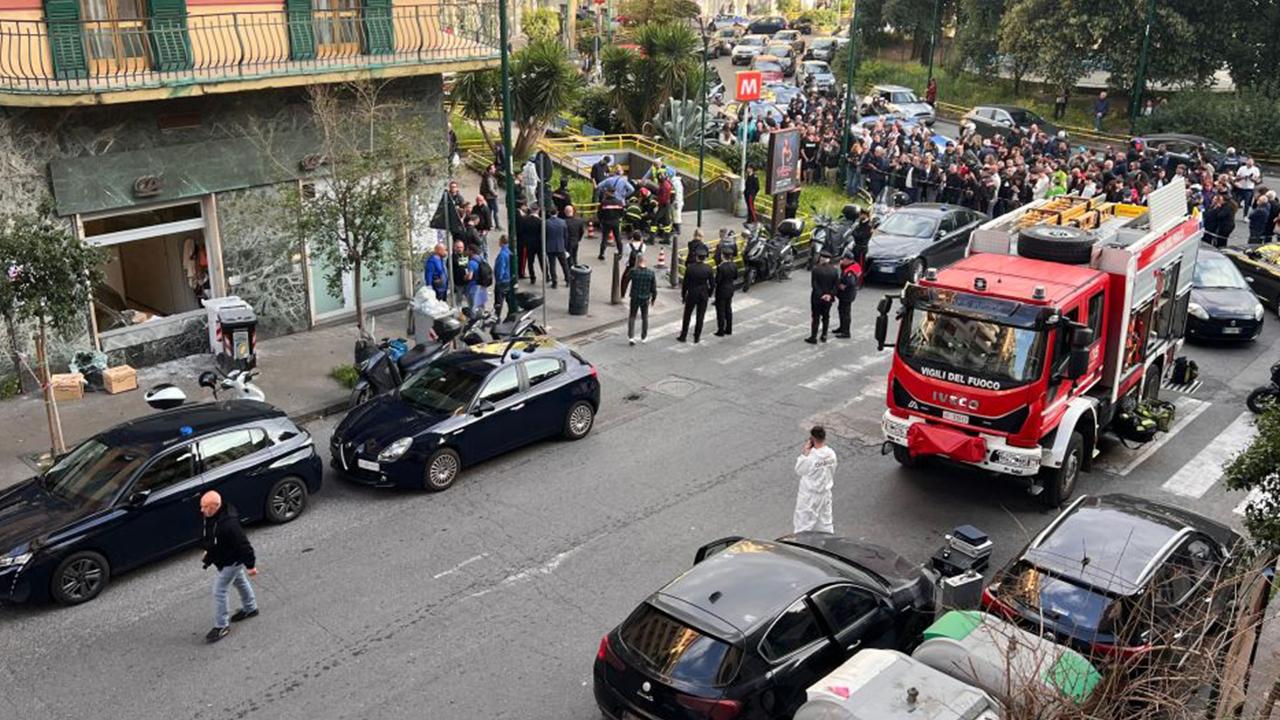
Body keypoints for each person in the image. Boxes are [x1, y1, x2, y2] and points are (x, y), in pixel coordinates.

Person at [200, 491, 258, 643]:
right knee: (239, 581)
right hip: (224, 559)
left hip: (231, 561)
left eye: (205, 507)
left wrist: (251, 565)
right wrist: (209, 553)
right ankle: (250, 607)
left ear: (215, 506)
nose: (202, 510)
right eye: (202, 506)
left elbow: (244, 545)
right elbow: (213, 538)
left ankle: (221, 626)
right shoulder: (211, 516)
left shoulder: (230, 524)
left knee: (219, 590)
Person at [793, 426, 837, 535]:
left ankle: (802, 547)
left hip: (809, 496)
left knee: (803, 525)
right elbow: (833, 470)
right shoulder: (831, 454)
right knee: (825, 523)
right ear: (824, 438)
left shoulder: (811, 457)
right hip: (825, 494)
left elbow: (799, 470)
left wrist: (806, 452)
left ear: (812, 439)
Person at [677, 248, 714, 344]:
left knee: (687, 315)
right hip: (703, 293)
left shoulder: (690, 268)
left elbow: (685, 283)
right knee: (700, 316)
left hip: (692, 293)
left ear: (697, 257)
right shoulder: (708, 268)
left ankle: (683, 335)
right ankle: (697, 336)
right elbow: (712, 284)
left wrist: (683, 295)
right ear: (705, 258)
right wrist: (709, 293)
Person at [806, 251, 840, 344]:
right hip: (828, 299)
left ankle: (813, 337)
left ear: (821, 259)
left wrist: (821, 295)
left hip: (817, 298)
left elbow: (814, 285)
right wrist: (829, 295)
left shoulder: (816, 269)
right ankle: (824, 335)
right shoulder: (834, 270)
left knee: (816, 317)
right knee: (826, 316)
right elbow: (836, 285)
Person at [626, 254, 657, 345]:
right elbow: (653, 288)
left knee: (632, 316)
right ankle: (644, 336)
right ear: (645, 262)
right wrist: (653, 298)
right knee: (645, 317)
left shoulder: (633, 271)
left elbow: (627, 278)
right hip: (645, 297)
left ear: (637, 262)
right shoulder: (651, 273)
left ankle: (631, 337)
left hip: (635, 296)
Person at [833, 255, 860, 338]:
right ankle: (842, 327)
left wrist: (842, 285)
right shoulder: (855, 265)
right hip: (848, 294)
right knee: (841, 310)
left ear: (849, 260)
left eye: (844, 259)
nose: (842, 260)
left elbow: (850, 282)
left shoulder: (850, 271)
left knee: (845, 313)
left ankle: (846, 332)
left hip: (847, 295)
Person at [713, 252, 737, 337]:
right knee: (728, 309)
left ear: (723, 256)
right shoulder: (734, 265)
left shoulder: (721, 267)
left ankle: (721, 330)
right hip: (730, 289)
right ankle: (729, 329)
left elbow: (718, 280)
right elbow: (735, 277)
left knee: (721, 311)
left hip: (721, 290)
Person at [544, 210, 570, 289]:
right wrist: (565, 246)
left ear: (549, 213)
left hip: (550, 247)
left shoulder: (546, 223)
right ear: (557, 213)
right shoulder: (562, 222)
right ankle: (568, 280)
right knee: (564, 265)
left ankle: (554, 282)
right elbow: (566, 235)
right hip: (560, 246)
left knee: (552, 265)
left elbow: (544, 236)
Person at [598, 191, 625, 259]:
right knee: (618, 237)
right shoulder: (619, 202)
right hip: (616, 222)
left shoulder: (604, 202)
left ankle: (602, 254)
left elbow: (599, 213)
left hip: (606, 222)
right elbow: (622, 212)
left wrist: (601, 221)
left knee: (604, 238)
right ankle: (620, 252)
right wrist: (619, 218)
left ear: (608, 193)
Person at [493, 235, 514, 318]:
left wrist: (499, 279)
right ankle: (510, 316)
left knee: (499, 302)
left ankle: (497, 318)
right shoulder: (510, 252)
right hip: (509, 280)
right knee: (510, 301)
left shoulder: (502, 254)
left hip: (502, 281)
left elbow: (500, 268)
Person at [480, 164, 501, 230]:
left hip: (487, 196)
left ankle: (489, 224)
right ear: (490, 170)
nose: (495, 169)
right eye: (493, 168)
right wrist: (496, 194)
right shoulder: (489, 177)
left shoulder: (486, 176)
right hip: (491, 197)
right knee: (495, 211)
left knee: (490, 211)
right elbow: (490, 188)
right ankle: (497, 225)